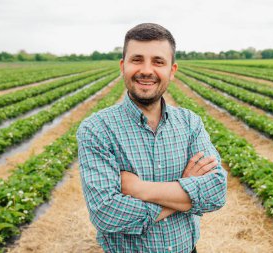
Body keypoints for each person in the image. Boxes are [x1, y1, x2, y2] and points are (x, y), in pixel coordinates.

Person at [76, 23, 228, 253]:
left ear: (172, 71)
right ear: (123, 66)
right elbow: (106, 213)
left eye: (158, 62)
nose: (147, 70)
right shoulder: (97, 129)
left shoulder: (190, 123)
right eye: (137, 59)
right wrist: (186, 193)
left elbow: (216, 191)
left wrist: (139, 189)